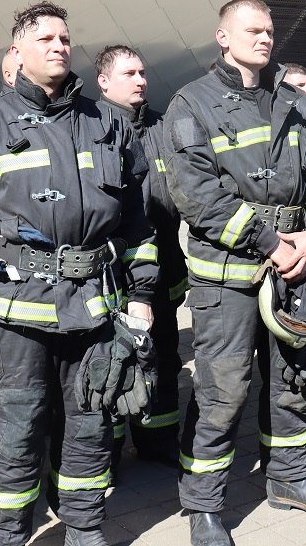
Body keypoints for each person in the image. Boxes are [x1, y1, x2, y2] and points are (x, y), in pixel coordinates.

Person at [0, 1, 157, 546]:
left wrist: (143, 292)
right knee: (16, 429)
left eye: (64, 38)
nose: (59, 46)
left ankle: (83, 527)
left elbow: (137, 219)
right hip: (17, 316)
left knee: (92, 421)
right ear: (17, 52)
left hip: (96, 307)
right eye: (45, 39)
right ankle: (9, 535)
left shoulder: (108, 123)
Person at [163, 0, 306, 546]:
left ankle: (289, 478)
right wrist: (270, 243)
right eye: (252, 30)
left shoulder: (298, 103)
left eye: (269, 30)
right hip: (229, 275)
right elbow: (197, 195)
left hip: (296, 264)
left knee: (293, 380)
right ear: (223, 37)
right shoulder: (190, 103)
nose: (265, 38)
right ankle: (203, 506)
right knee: (222, 392)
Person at [95, 45, 185, 466]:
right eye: (129, 74)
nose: (141, 81)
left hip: (163, 266)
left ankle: (158, 438)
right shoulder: (92, 127)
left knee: (163, 355)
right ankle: (107, 449)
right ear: (103, 82)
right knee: (112, 358)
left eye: (142, 73)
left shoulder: (162, 127)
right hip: (113, 271)